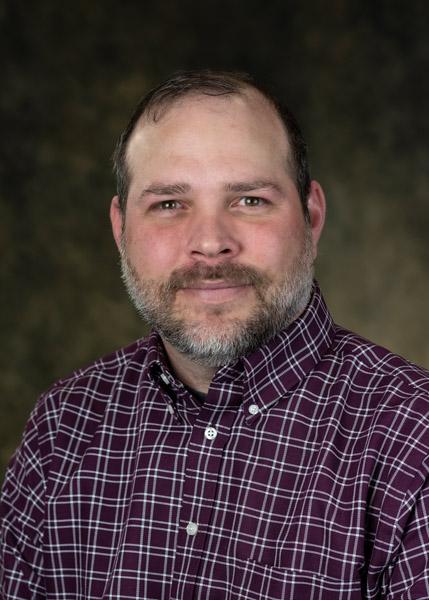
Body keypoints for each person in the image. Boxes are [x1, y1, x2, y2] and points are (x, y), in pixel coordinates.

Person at [1, 70, 429, 600]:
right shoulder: (63, 428)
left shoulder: (414, 443)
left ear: (312, 217)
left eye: (249, 200)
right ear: (120, 230)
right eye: (169, 204)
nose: (209, 243)